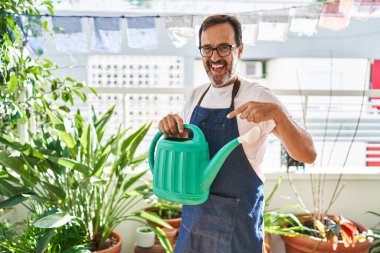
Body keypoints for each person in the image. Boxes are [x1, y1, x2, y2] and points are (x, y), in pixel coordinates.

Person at [157, 14, 316, 253]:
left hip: (238, 232)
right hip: (193, 226)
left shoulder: (260, 97)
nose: (215, 58)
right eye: (207, 49)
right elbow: (190, 161)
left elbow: (308, 154)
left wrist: (278, 115)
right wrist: (173, 134)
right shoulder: (195, 96)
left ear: (239, 50)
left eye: (223, 48)